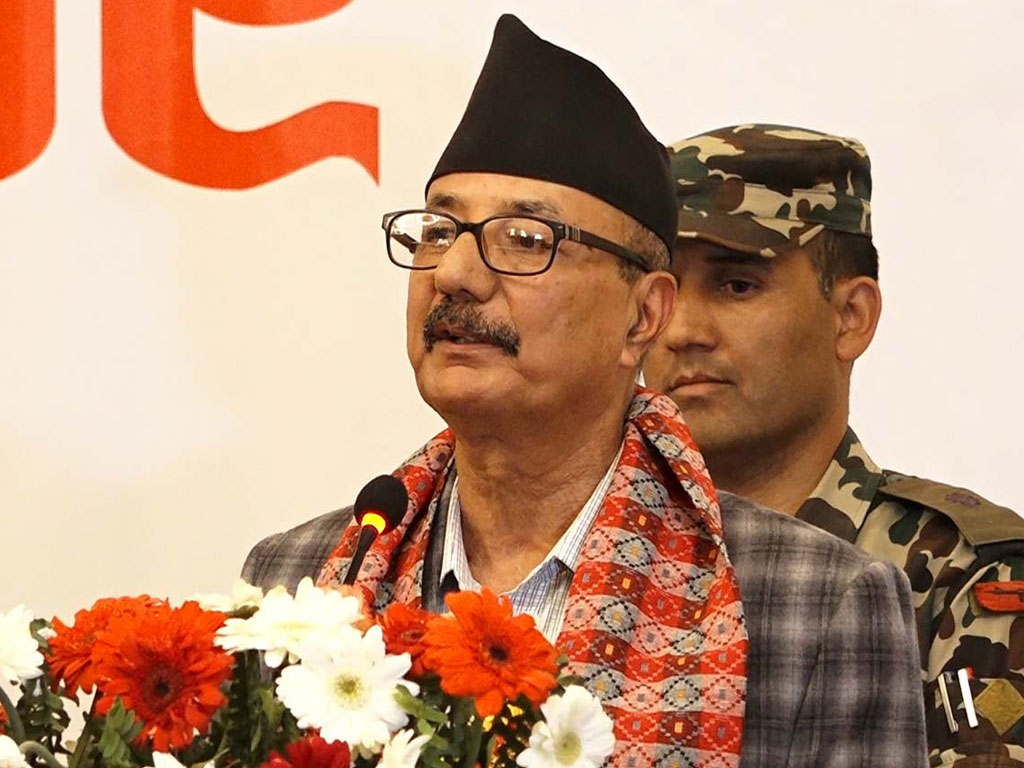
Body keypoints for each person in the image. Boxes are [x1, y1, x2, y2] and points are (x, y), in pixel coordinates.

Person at [243, 21, 926, 767]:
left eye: (524, 240)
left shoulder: (813, 603)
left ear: (643, 316)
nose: (455, 275)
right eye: (439, 229)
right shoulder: (302, 581)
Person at [643, 123, 1024, 767]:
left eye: (737, 286)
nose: (682, 330)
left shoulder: (959, 577)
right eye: (664, 290)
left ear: (851, 317)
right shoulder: (591, 547)